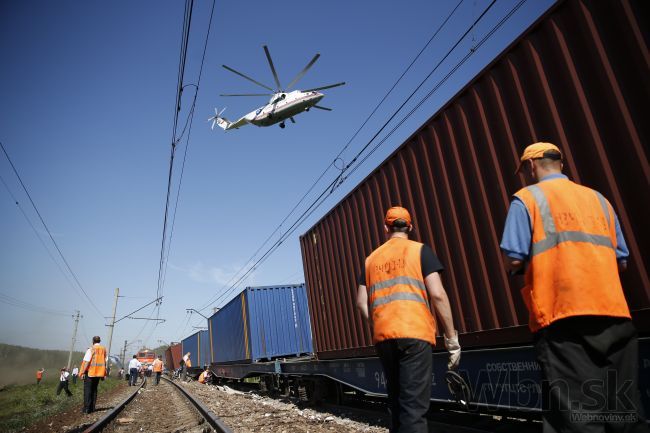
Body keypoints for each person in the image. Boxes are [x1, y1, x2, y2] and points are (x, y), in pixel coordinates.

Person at [500, 142, 646, 432]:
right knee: (624, 414)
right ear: (561, 164)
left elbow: (513, 260)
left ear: (531, 166)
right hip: (615, 314)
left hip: (562, 318)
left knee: (578, 416)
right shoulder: (599, 200)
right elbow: (623, 262)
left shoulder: (527, 199)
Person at [356, 206, 460, 433]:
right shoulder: (420, 251)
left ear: (386, 228)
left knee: (396, 403)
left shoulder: (371, 260)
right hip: (415, 333)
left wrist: (376, 325)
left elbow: (361, 303)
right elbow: (438, 294)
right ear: (410, 227)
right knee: (413, 407)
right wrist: (451, 338)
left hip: (384, 336)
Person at [79, 336, 107, 414]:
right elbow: (105, 362)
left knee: (88, 390)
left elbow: (87, 361)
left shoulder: (91, 349)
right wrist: (104, 374)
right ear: (100, 341)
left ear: (93, 341)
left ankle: (87, 409)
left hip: (90, 373)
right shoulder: (103, 349)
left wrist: (83, 372)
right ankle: (92, 408)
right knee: (94, 390)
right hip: (99, 373)